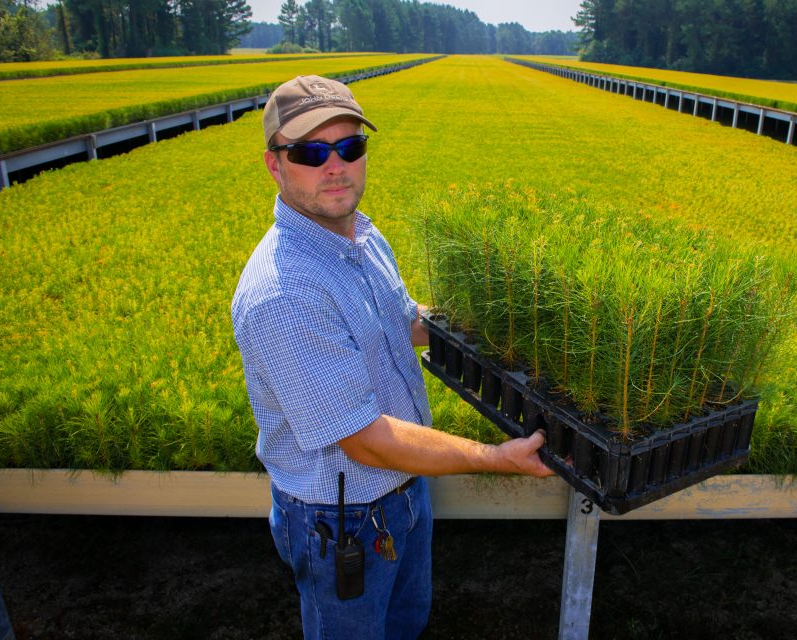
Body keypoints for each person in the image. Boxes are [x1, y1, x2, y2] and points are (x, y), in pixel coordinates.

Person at [230, 75, 554, 640]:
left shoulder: (359, 236)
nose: (336, 166)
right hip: (342, 521)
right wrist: (496, 457)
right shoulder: (285, 294)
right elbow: (365, 440)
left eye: (350, 147)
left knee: (407, 624)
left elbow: (402, 320)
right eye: (311, 152)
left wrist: (490, 327)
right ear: (274, 165)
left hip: (403, 492)